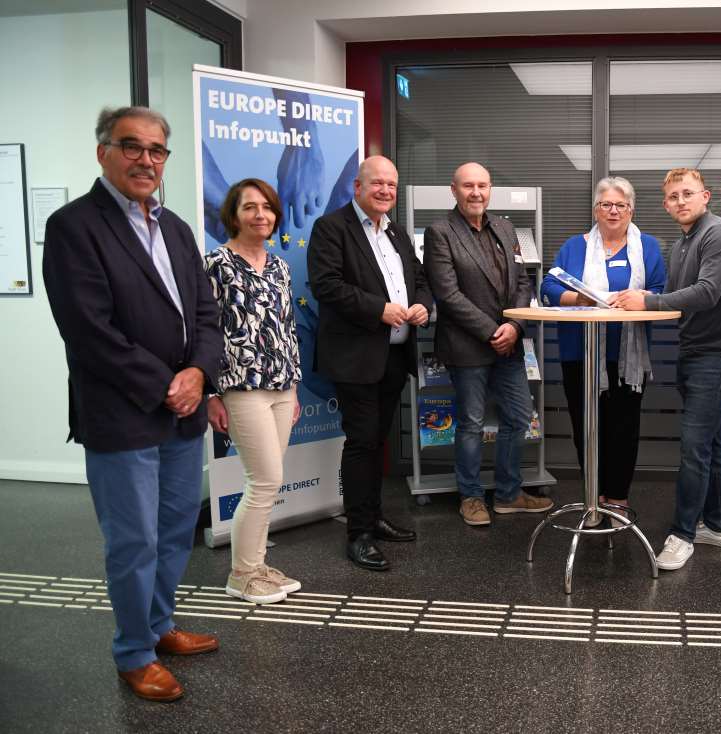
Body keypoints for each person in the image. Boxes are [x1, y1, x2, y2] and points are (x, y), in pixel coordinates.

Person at [42, 106, 222, 702]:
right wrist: (166, 383)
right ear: (103, 152)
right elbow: (89, 331)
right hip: (123, 413)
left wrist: (197, 371)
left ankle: (159, 624)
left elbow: (204, 313)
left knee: (174, 530)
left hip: (182, 408)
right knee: (133, 539)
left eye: (157, 150)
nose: (146, 159)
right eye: (132, 146)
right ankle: (134, 651)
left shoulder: (175, 227)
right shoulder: (74, 226)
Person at [612, 168, 721, 571]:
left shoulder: (720, 234)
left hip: (720, 354)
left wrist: (646, 303)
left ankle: (683, 534)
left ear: (705, 196)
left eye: (687, 194)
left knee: (693, 447)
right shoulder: (681, 244)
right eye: (672, 197)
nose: (680, 202)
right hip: (695, 350)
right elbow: (676, 299)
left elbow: (706, 293)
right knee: (708, 443)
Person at [307, 156, 432, 571]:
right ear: (357, 187)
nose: (385, 191)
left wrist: (421, 306)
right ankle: (358, 533)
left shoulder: (394, 231)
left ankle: (373, 517)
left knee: (376, 440)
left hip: (394, 355)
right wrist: (379, 309)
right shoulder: (331, 228)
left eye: (391, 185)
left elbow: (419, 279)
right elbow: (326, 286)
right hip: (355, 356)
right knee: (361, 441)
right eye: (377, 183)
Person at [424, 162, 554, 526]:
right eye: (468, 186)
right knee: (471, 424)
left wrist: (513, 325)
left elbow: (524, 282)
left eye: (482, 185)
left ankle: (509, 493)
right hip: (468, 347)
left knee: (517, 416)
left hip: (509, 344)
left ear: (490, 188)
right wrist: (492, 331)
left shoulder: (504, 226)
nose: (476, 192)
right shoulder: (440, 232)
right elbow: (448, 295)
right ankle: (471, 497)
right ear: (454, 190)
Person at [540, 177, 666, 525]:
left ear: (631, 210)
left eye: (620, 205)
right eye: (606, 205)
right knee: (586, 428)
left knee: (623, 430)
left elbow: (657, 289)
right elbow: (548, 286)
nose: (613, 211)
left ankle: (618, 499)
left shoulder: (648, 247)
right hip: (579, 354)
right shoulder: (574, 247)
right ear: (595, 209)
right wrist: (577, 298)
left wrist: (639, 300)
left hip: (627, 358)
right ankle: (592, 498)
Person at [205, 179, 303, 603]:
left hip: (282, 384)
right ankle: (242, 574)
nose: (260, 215)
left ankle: (258, 564)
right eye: (250, 207)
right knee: (264, 480)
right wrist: (211, 393)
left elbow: (286, 327)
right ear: (233, 215)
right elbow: (202, 330)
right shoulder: (216, 264)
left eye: (267, 207)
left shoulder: (280, 266)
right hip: (241, 387)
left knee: (267, 481)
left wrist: (295, 388)